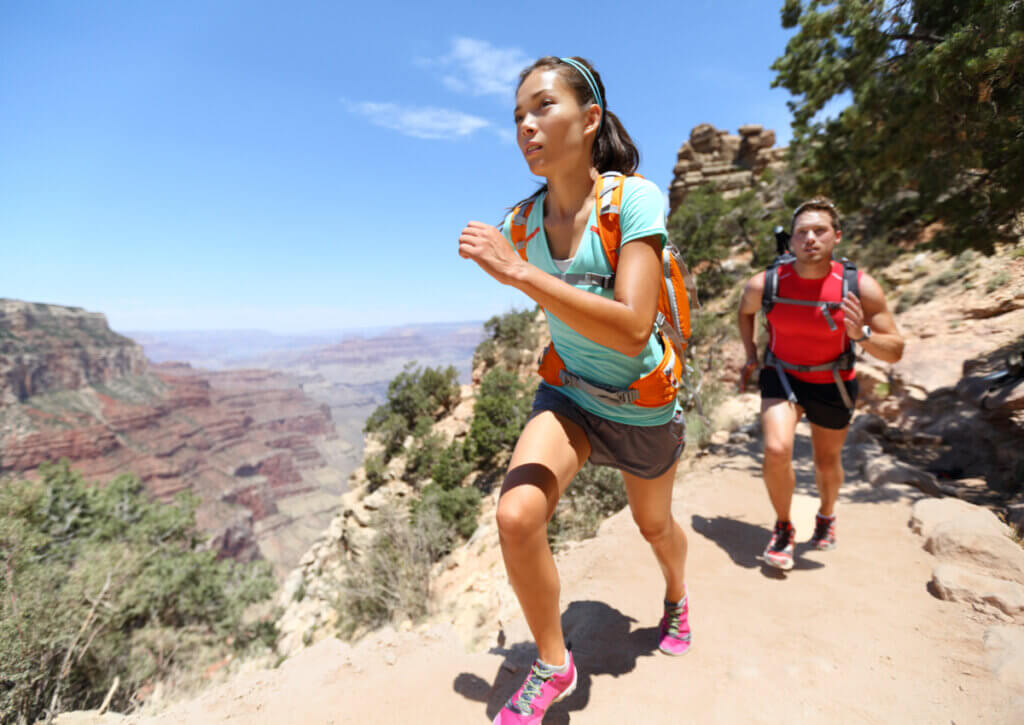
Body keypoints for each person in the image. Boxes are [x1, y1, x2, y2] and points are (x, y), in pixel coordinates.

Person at [458, 56, 691, 724]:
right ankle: (554, 662)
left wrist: (519, 274)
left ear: (590, 119)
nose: (526, 126)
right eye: (517, 117)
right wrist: (511, 264)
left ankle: (676, 593)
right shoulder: (522, 223)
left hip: (642, 404)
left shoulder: (632, 201)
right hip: (571, 396)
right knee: (516, 515)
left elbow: (633, 326)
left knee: (653, 525)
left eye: (543, 107)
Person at [736, 198, 905, 571]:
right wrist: (751, 354)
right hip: (782, 373)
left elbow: (895, 350)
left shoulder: (859, 287)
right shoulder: (766, 283)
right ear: (791, 240)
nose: (810, 238)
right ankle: (783, 528)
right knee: (776, 449)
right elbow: (744, 312)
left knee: (826, 462)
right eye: (802, 232)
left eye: (819, 231)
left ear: (837, 236)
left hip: (833, 381)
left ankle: (826, 515)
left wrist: (861, 335)